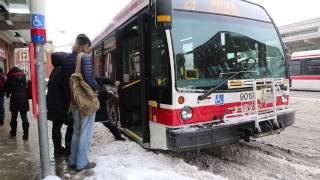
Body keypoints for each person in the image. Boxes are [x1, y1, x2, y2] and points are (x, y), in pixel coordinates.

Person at [61, 34, 100, 172]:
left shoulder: (66, 60)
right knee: (85, 132)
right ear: (84, 45)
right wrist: (96, 89)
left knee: (77, 131)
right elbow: (89, 78)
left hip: (73, 100)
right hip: (84, 101)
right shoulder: (84, 57)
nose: (89, 50)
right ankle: (82, 163)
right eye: (88, 47)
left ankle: (73, 160)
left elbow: (65, 81)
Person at [46, 52, 73, 157]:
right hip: (62, 105)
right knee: (72, 124)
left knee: (56, 127)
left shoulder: (53, 71)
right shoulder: (62, 71)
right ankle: (68, 148)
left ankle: (58, 149)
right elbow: (66, 89)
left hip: (53, 105)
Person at [95, 77, 125, 141]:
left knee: (106, 121)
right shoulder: (88, 77)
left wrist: (113, 82)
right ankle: (118, 136)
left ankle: (118, 136)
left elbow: (101, 79)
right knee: (106, 121)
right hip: (94, 102)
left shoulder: (92, 78)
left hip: (98, 101)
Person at [6, 67, 29, 140]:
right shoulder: (24, 77)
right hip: (24, 98)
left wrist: (7, 94)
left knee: (14, 116)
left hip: (15, 98)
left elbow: (8, 91)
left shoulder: (10, 78)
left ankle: (13, 132)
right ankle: (25, 134)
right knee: (24, 116)